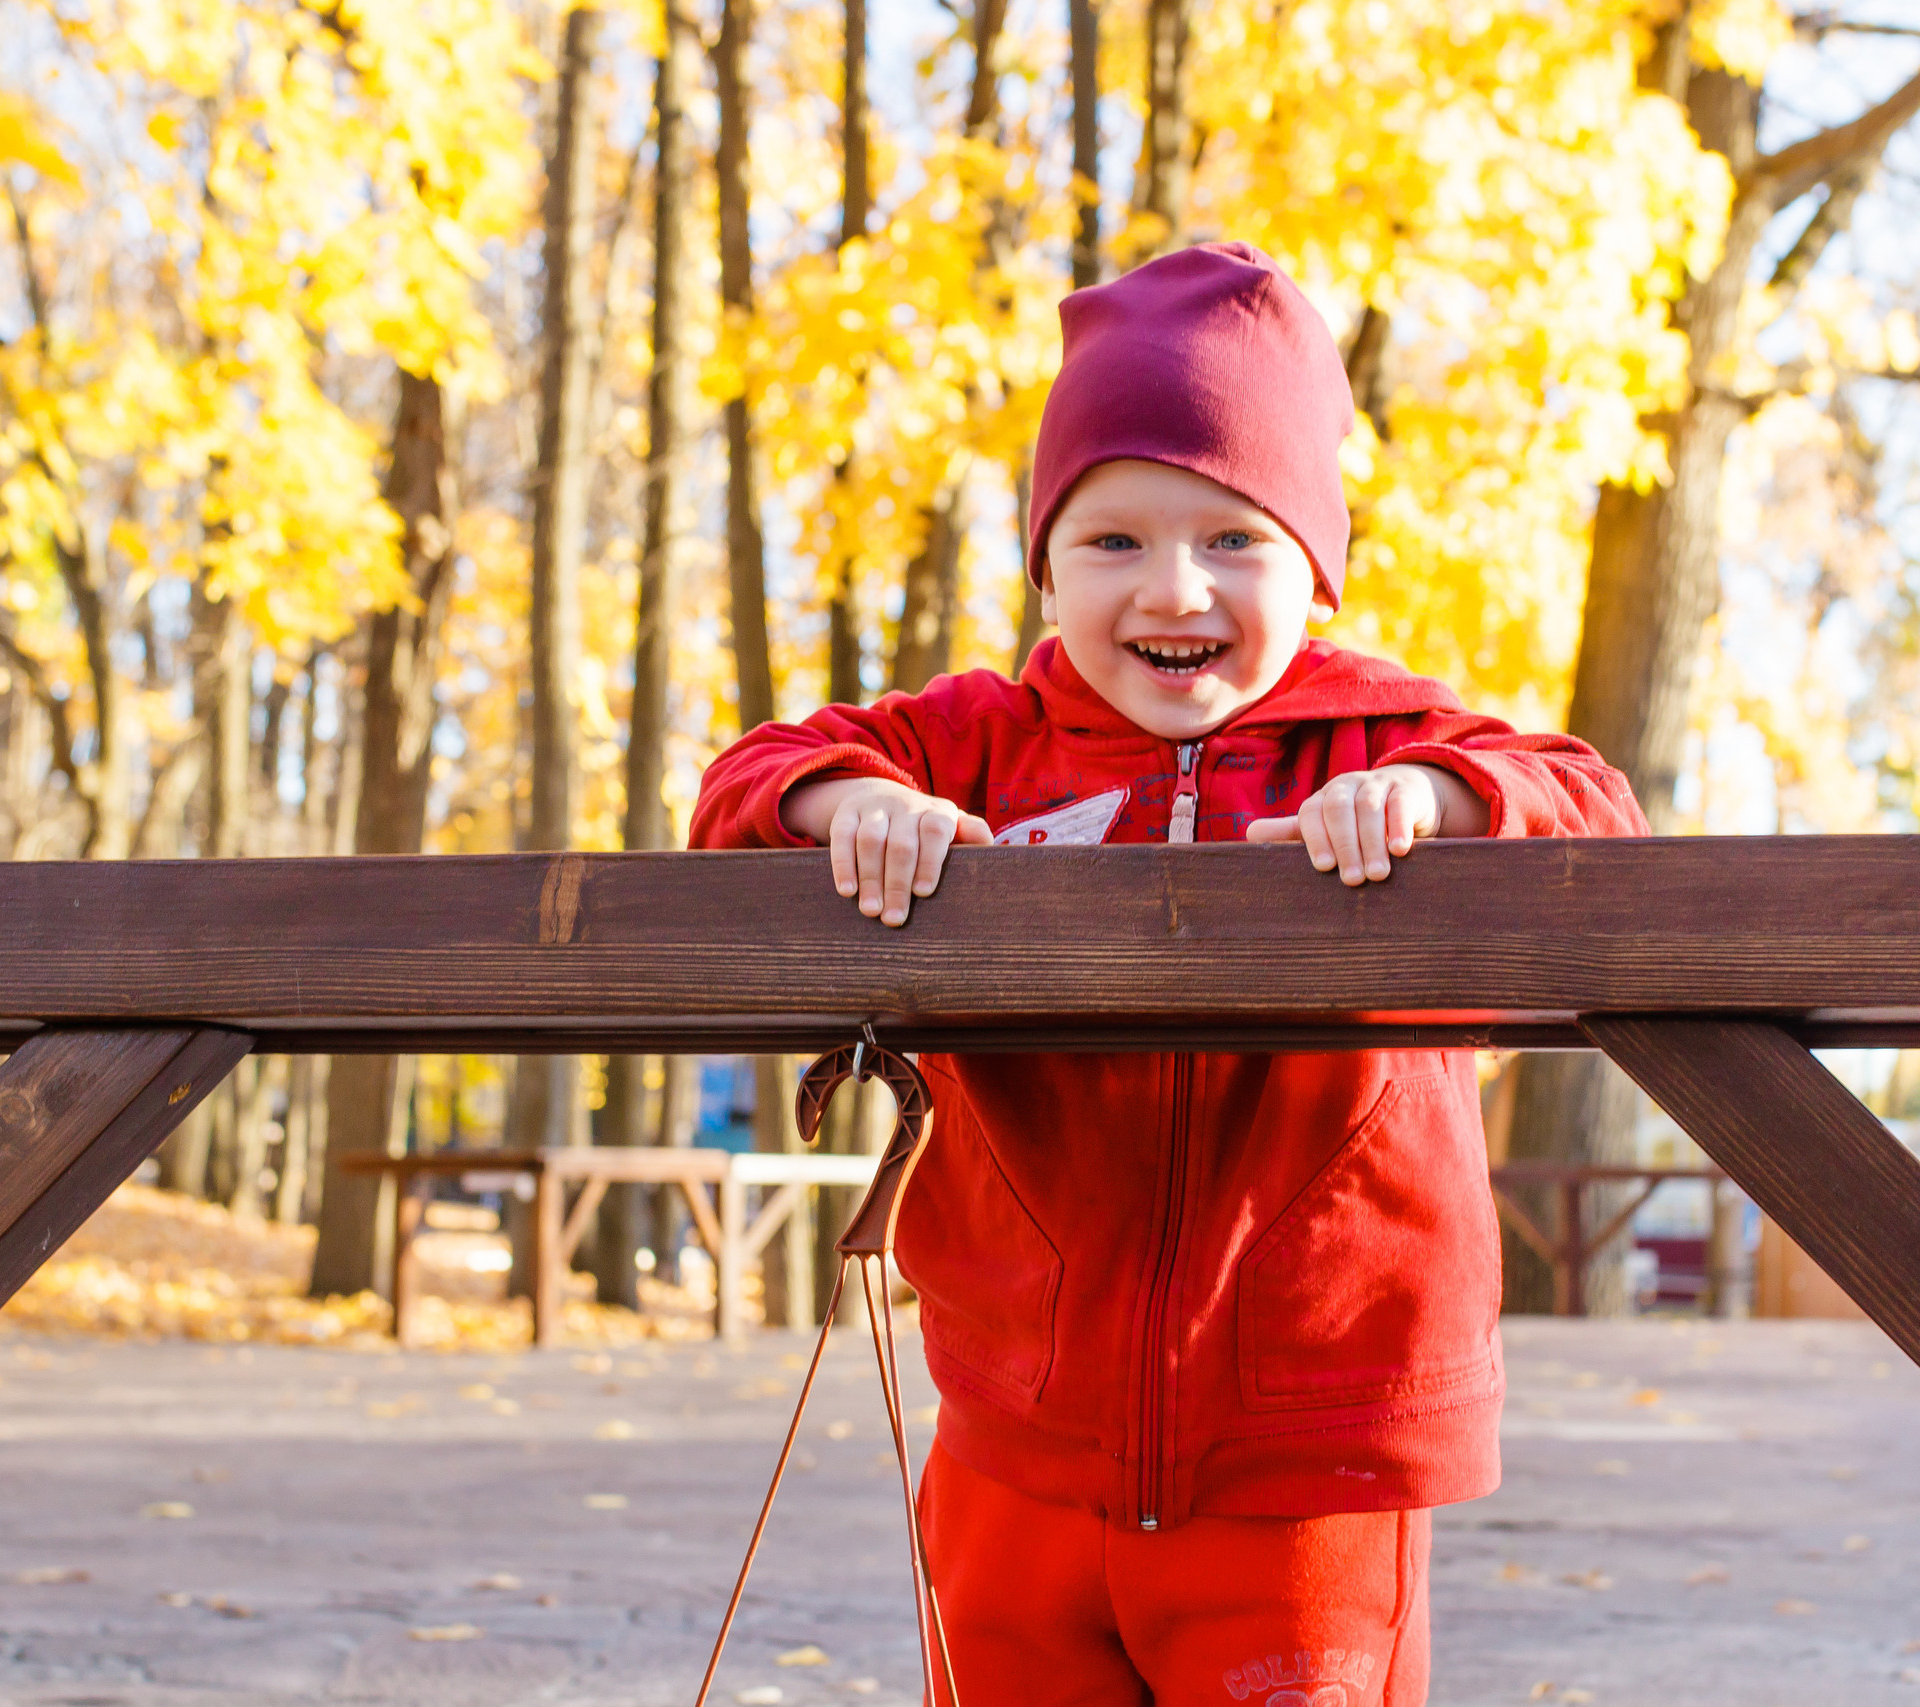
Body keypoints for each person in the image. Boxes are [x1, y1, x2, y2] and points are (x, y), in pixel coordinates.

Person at [692, 242, 1647, 1707]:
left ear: (1315, 563)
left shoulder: (1382, 743)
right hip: (1017, 1427)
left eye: (1234, 539)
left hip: (1310, 1449)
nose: (1174, 587)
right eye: (1115, 541)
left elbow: (1593, 804)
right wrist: (846, 804)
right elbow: (741, 779)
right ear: (1048, 562)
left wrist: (1445, 806)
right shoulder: (984, 744)